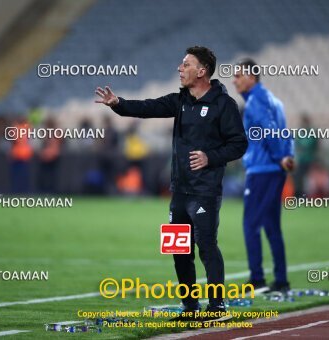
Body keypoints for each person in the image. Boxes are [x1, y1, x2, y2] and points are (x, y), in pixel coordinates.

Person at [95, 46, 247, 322]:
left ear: (201, 71)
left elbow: (239, 144)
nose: (180, 68)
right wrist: (118, 104)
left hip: (205, 191)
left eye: (186, 64)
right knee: (179, 250)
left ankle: (217, 307)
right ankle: (190, 307)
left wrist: (210, 157)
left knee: (207, 246)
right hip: (179, 190)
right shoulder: (181, 100)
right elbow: (147, 107)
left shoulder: (223, 105)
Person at [233, 59, 294, 293]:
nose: (234, 79)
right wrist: (287, 156)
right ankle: (281, 279)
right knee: (272, 227)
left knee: (250, 224)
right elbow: (284, 131)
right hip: (274, 171)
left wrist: (280, 156)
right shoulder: (274, 101)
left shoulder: (256, 102)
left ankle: (257, 278)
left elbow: (269, 130)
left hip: (262, 171)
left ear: (251, 77)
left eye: (238, 75)